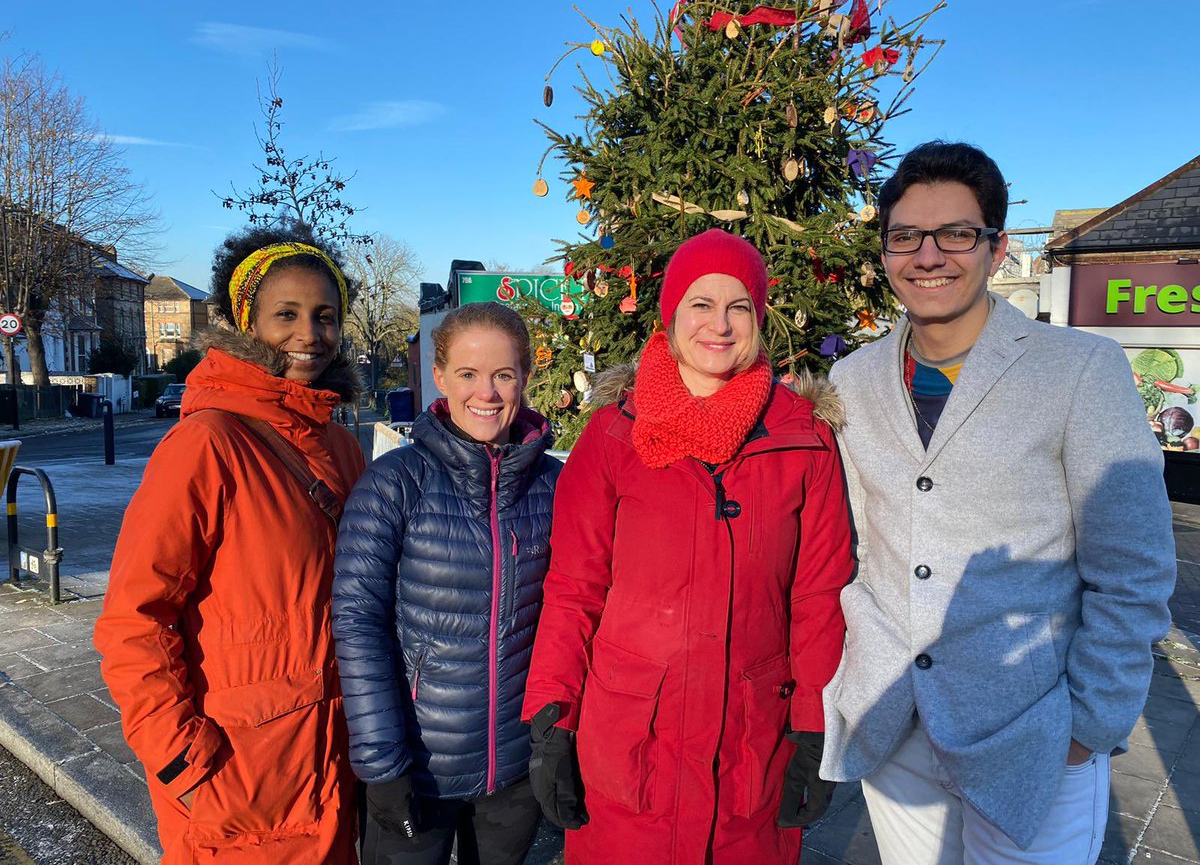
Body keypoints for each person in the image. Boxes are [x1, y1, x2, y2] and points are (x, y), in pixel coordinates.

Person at [820, 141, 1178, 863]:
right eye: (905, 237)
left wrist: (1090, 725)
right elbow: (863, 544)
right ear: (885, 251)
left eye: (956, 233)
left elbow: (1133, 567)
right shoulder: (852, 381)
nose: (929, 256)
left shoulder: (1080, 370)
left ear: (997, 247)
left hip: (1034, 738)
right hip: (896, 729)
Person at [521, 229, 854, 863]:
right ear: (672, 315)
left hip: (750, 755)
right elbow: (574, 588)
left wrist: (815, 728)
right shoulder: (614, 435)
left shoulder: (803, 440)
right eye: (701, 304)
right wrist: (553, 721)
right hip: (631, 748)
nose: (719, 325)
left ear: (759, 318)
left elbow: (819, 596)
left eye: (739, 307)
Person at [94, 224, 366, 863]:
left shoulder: (342, 447)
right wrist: (179, 759)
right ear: (246, 323)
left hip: (335, 763)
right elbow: (133, 618)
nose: (309, 334)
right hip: (240, 778)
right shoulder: (206, 444)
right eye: (287, 315)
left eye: (325, 316)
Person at [332, 302, 561, 865]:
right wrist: (382, 764)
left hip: (514, 768)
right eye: (468, 374)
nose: (487, 392)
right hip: (418, 765)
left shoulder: (556, 485)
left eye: (504, 375)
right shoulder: (394, 483)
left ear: (525, 378)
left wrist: (556, 736)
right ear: (439, 377)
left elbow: (572, 615)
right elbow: (358, 625)